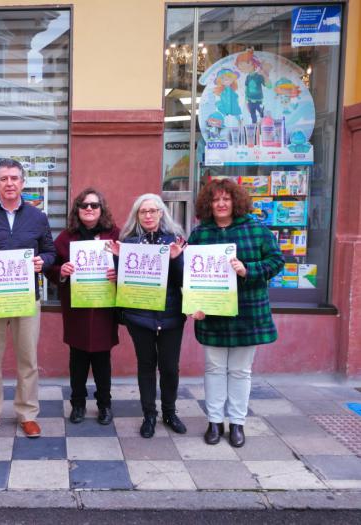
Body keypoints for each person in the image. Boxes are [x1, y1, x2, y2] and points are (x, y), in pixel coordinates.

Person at [0, 158, 56, 438]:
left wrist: (44, 261)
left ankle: (27, 413)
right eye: (4, 179)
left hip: (27, 297)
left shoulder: (38, 217)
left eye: (14, 178)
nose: (9, 183)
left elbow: (51, 251)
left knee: (27, 359)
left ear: (23, 183)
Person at [188, 179, 284, 448]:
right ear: (208, 204)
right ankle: (215, 422)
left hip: (247, 312)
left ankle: (237, 423)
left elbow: (277, 261)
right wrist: (193, 304)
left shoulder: (256, 229)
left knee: (241, 371)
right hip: (212, 312)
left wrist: (248, 270)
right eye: (215, 200)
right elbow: (192, 274)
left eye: (226, 199)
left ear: (235, 201)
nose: (220, 204)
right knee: (214, 369)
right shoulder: (200, 234)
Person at [110, 194, 188, 438]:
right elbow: (124, 282)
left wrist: (175, 260)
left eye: (153, 211)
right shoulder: (128, 242)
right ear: (137, 216)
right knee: (146, 365)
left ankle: (169, 412)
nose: (149, 215)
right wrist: (116, 259)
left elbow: (183, 280)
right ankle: (149, 415)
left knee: (169, 368)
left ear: (161, 213)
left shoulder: (176, 241)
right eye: (143, 212)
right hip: (139, 316)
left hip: (171, 314)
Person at [45, 188, 119, 425]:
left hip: (104, 309)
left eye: (94, 205)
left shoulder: (115, 235)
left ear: (101, 209)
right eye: (84, 205)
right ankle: (78, 404)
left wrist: (118, 273)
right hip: (77, 309)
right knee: (77, 360)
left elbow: (128, 264)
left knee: (102, 361)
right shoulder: (67, 237)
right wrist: (62, 272)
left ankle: (104, 405)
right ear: (77, 210)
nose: (89, 209)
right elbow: (50, 266)